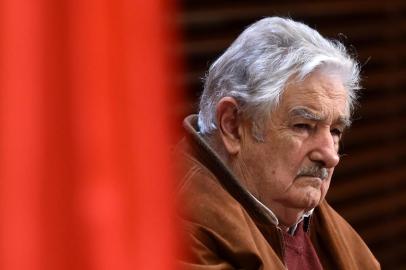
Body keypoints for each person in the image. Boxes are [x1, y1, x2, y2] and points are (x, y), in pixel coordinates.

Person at [175, 17, 380, 269]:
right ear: (232, 125)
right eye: (303, 126)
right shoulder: (173, 225)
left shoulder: (294, 206)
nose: (330, 155)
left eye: (336, 130)